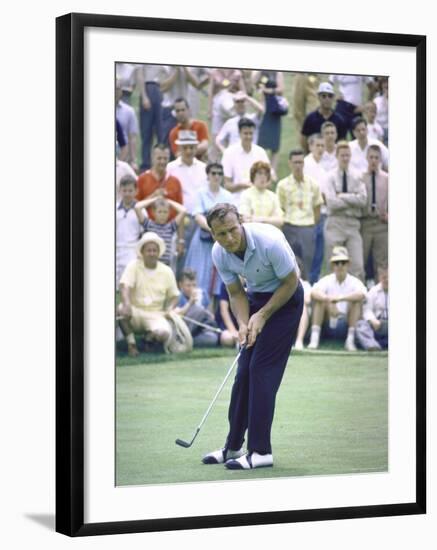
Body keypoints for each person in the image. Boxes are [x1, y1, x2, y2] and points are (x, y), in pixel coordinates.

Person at [202, 203, 303, 470]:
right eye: (220, 234)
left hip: (287, 299)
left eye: (232, 230)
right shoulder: (219, 253)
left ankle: (260, 452)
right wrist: (244, 323)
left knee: (261, 369)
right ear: (213, 234)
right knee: (243, 372)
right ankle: (233, 446)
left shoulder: (269, 241)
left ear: (242, 222)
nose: (229, 238)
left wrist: (264, 314)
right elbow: (236, 293)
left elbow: (292, 282)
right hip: (255, 299)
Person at [118, 232, 180, 357]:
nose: (152, 253)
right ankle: (132, 345)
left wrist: (170, 308)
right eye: (148, 250)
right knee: (121, 310)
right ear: (142, 252)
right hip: (135, 311)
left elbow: (175, 296)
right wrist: (127, 303)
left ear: (159, 252)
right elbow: (125, 286)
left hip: (155, 314)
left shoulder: (166, 271)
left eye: (154, 250)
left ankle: (148, 340)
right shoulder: (133, 266)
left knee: (163, 333)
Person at [183, 162, 234, 302]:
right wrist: (212, 229)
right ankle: (195, 304)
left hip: (222, 240)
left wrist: (220, 233)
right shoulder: (200, 193)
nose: (216, 176)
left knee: (218, 276)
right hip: (203, 239)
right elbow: (198, 215)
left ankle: (215, 310)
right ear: (208, 175)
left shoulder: (228, 196)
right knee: (200, 272)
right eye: (213, 173)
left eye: (219, 173)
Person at [276, 149, 324, 279]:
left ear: (304, 164)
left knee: (307, 264)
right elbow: (280, 208)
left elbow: (317, 207)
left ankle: (306, 294)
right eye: (295, 162)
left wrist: (313, 226)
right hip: (289, 226)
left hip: (308, 227)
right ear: (290, 164)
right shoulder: (282, 185)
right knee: (290, 263)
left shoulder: (313, 184)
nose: (298, 166)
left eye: (301, 162)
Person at [308, 246, 367, 351]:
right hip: (327, 321)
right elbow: (313, 292)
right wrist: (328, 299)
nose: (340, 265)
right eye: (337, 262)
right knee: (320, 301)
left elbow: (361, 294)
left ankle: (350, 340)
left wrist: (340, 299)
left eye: (343, 262)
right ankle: (314, 339)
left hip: (346, 323)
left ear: (348, 264)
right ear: (332, 265)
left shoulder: (354, 281)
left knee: (356, 302)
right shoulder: (327, 280)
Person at [324, 141, 367, 281]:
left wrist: (342, 196)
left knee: (357, 265)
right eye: (342, 155)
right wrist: (352, 199)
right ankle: (332, 299)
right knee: (334, 263)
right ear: (337, 156)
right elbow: (331, 202)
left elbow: (362, 200)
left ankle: (356, 299)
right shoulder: (330, 177)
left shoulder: (357, 176)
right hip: (335, 223)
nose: (345, 158)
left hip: (353, 225)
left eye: (348, 155)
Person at [174, 268, 236, 348]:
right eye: (188, 285)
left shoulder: (203, 294)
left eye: (194, 285)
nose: (191, 288)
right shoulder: (177, 296)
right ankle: (181, 338)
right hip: (183, 328)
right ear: (180, 285)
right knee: (199, 310)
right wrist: (190, 303)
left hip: (200, 330)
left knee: (212, 338)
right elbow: (176, 315)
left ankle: (186, 342)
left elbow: (210, 315)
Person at [222, 117, 270, 206]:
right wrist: (242, 185)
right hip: (237, 200)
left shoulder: (260, 152)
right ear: (239, 134)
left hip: (259, 199)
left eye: (251, 133)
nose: (248, 137)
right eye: (245, 133)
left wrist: (257, 186)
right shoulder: (229, 153)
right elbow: (227, 185)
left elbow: (269, 181)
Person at [304, 134, 330, 284]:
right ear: (310, 146)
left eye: (322, 145)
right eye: (317, 145)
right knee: (310, 253)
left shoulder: (323, 166)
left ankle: (314, 284)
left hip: (324, 214)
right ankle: (307, 284)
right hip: (310, 215)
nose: (320, 148)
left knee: (319, 254)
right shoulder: (307, 164)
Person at [360, 145, 389, 280]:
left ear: (380, 160)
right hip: (364, 223)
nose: (373, 160)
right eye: (371, 157)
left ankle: (381, 294)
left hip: (381, 224)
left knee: (382, 262)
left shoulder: (387, 179)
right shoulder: (360, 177)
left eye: (376, 158)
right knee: (361, 260)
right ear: (366, 158)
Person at [134, 196, 187, 268]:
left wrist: (168, 201)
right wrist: (155, 199)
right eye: (159, 212)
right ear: (153, 212)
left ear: (169, 213)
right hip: (150, 263)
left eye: (165, 212)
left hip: (165, 265)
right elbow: (137, 207)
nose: (162, 215)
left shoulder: (171, 227)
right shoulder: (149, 224)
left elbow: (183, 210)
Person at [136, 144, 183, 221]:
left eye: (165, 158)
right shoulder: (142, 179)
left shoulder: (175, 181)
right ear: (152, 158)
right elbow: (135, 206)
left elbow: (180, 210)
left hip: (170, 228)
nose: (162, 161)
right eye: (159, 158)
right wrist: (153, 196)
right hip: (148, 226)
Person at [208, 68, 245, 160]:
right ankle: (214, 162)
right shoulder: (215, 72)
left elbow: (243, 92)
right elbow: (210, 92)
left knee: (232, 136)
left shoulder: (237, 73)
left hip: (233, 105)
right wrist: (210, 110)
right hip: (218, 108)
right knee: (216, 138)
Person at [136, 64, 168, 170]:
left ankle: (161, 162)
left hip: (158, 90)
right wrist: (144, 96)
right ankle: (145, 164)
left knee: (160, 131)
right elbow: (140, 75)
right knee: (146, 132)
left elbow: (166, 73)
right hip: (147, 88)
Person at [253, 70, 285, 175]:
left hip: (274, 109)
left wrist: (267, 90)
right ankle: (259, 167)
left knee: (274, 143)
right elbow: (253, 82)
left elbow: (281, 89)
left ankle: (273, 170)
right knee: (261, 140)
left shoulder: (277, 73)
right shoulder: (261, 73)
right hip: (262, 108)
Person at [301, 82, 347, 152]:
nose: (327, 99)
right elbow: (304, 139)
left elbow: (342, 141)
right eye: (324, 96)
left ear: (333, 98)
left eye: (330, 96)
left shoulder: (339, 120)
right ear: (319, 97)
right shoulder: (310, 118)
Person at [116, 175, 143, 288]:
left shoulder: (141, 210)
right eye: (124, 190)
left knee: (129, 282)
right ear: (119, 191)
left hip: (132, 250)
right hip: (116, 248)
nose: (127, 194)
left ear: (136, 191)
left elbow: (143, 233)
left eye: (130, 190)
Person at [239, 161, 284, 228]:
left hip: (270, 233)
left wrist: (262, 220)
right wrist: (270, 219)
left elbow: (280, 221)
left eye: (266, 174)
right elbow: (245, 220)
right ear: (253, 176)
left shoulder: (273, 196)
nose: (263, 177)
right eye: (260, 173)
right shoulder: (246, 195)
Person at [355, 265, 389, 350]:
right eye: (384, 277)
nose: (387, 280)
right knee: (360, 325)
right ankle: (372, 345)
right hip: (377, 324)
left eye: (389, 277)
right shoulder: (373, 291)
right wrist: (372, 320)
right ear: (380, 277)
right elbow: (367, 310)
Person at [116, 81, 139, 172]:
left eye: (117, 89)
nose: (115, 91)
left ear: (121, 91)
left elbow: (132, 137)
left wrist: (133, 160)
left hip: (123, 154)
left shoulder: (129, 111)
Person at [293, 258, 313, 351]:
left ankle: (299, 341)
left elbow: (308, 300)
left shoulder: (305, 284)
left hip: (302, 314)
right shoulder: (281, 284)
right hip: (286, 313)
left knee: (303, 307)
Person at [373, 77, 388, 145]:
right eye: (385, 87)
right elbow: (374, 115)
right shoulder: (376, 100)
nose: (386, 90)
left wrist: (386, 99)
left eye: (388, 87)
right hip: (379, 129)